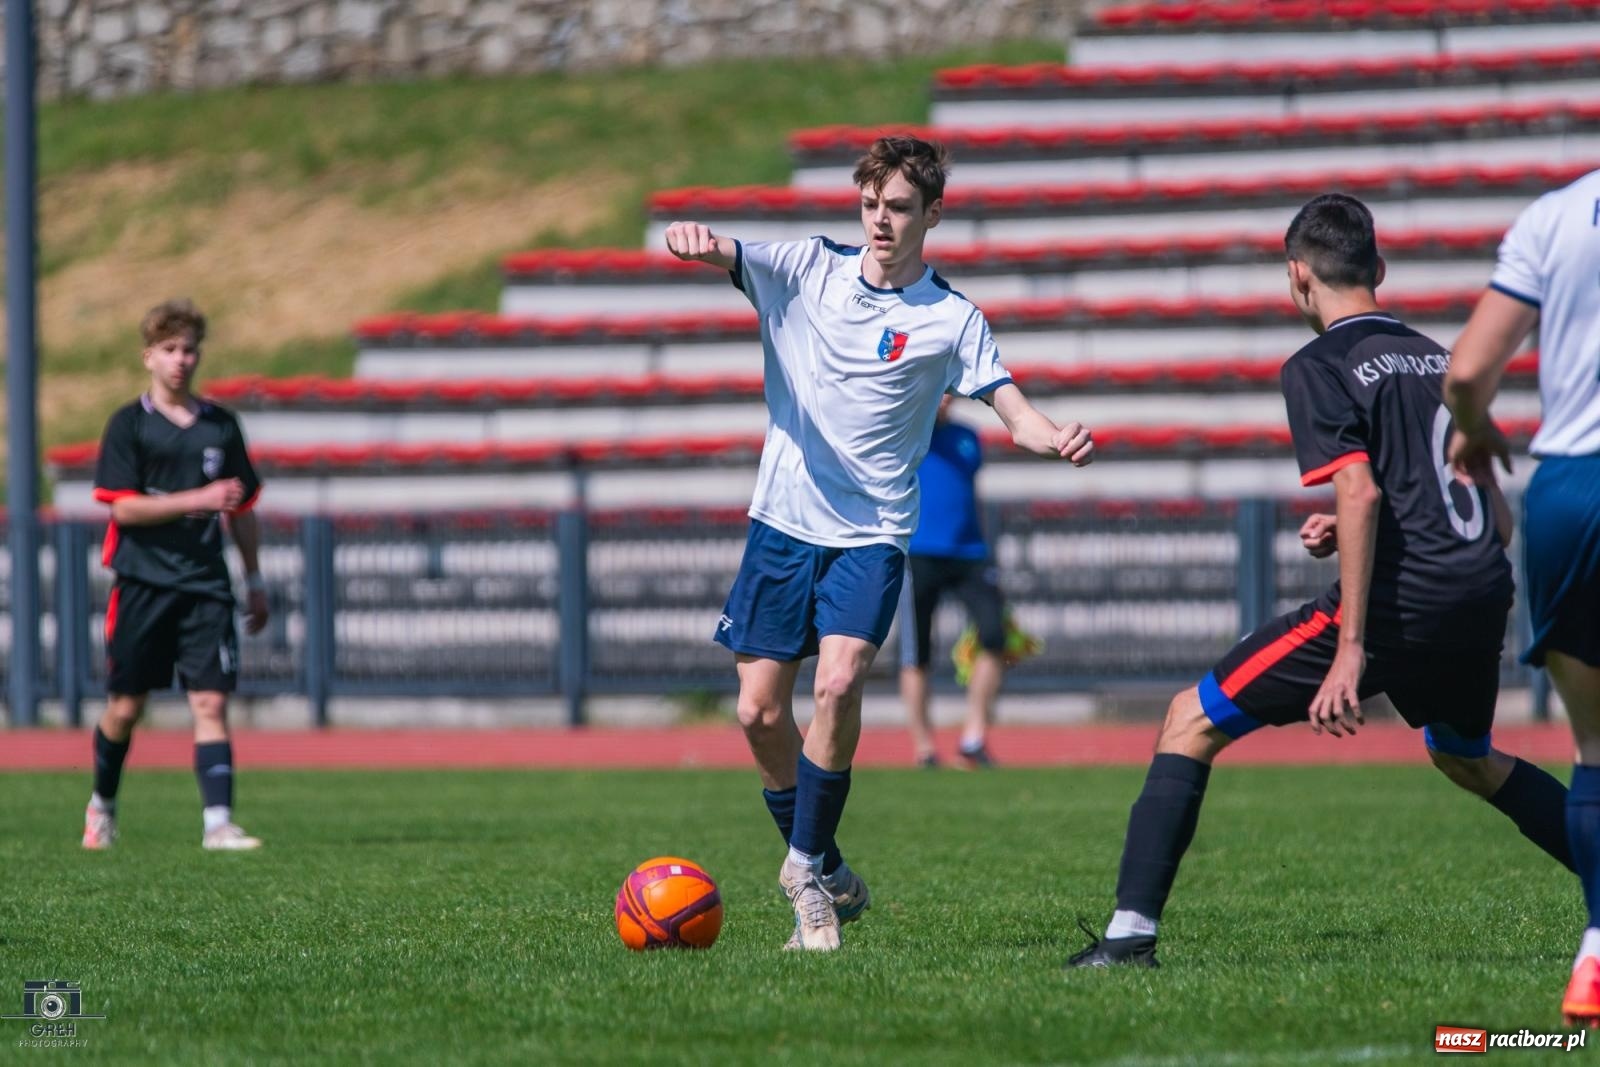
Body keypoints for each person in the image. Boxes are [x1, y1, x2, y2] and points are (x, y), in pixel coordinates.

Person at [1066, 193, 1573, 969]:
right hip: (1479, 588)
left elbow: (1362, 489)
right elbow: (1490, 516)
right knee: (1466, 753)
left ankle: (1130, 937)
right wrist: (1373, 524)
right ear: (1378, 269)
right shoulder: (1440, 359)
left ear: (1298, 277)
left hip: (1401, 602)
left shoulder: (1319, 363)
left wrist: (1351, 649)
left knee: (1188, 719)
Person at [663, 135, 1096, 950]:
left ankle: (803, 880)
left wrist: (1053, 438)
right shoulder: (807, 269)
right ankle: (826, 858)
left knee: (838, 681)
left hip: (872, 534)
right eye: (870, 205)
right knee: (758, 713)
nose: (880, 222)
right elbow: (730, 251)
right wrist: (697, 240)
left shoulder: (951, 317)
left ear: (933, 213)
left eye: (898, 207)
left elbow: (1012, 406)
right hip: (782, 524)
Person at [1443, 167, 1600, 1026]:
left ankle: (1596, 952)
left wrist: (1474, 428)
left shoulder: (1557, 213)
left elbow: (1467, 370)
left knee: (1596, 746)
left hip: (1571, 489)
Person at [82, 298, 270, 852]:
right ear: (149, 357)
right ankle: (102, 804)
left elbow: (242, 508)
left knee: (210, 702)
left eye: (189, 349)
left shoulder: (221, 426)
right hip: (143, 583)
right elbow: (123, 509)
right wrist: (199, 498)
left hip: (207, 585)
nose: (181, 360)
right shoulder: (129, 425)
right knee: (126, 708)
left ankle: (218, 824)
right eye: (169, 350)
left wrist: (253, 579)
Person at [898, 394, 1009, 769]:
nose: (943, 399)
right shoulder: (906, 433)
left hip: (968, 553)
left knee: (995, 636)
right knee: (917, 654)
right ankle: (924, 747)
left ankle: (974, 737)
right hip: (918, 553)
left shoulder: (968, 437)